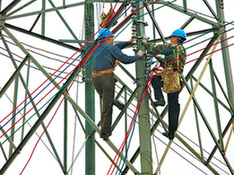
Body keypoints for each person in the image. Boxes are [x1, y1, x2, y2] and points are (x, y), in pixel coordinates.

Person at [92, 28, 144, 141]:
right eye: (112, 38)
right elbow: (125, 59)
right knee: (107, 105)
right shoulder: (111, 48)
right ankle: (105, 132)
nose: (113, 41)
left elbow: (115, 48)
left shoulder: (97, 48)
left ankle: (114, 101)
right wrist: (138, 56)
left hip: (96, 80)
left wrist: (127, 43)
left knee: (105, 98)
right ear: (108, 38)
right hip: (107, 79)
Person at [143, 29, 187, 139]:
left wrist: (145, 44)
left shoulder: (172, 47)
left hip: (169, 78)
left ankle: (160, 98)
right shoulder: (181, 50)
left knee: (153, 77)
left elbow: (157, 48)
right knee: (173, 105)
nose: (170, 39)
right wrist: (159, 58)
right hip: (176, 80)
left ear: (177, 38)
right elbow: (171, 64)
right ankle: (171, 132)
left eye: (172, 37)